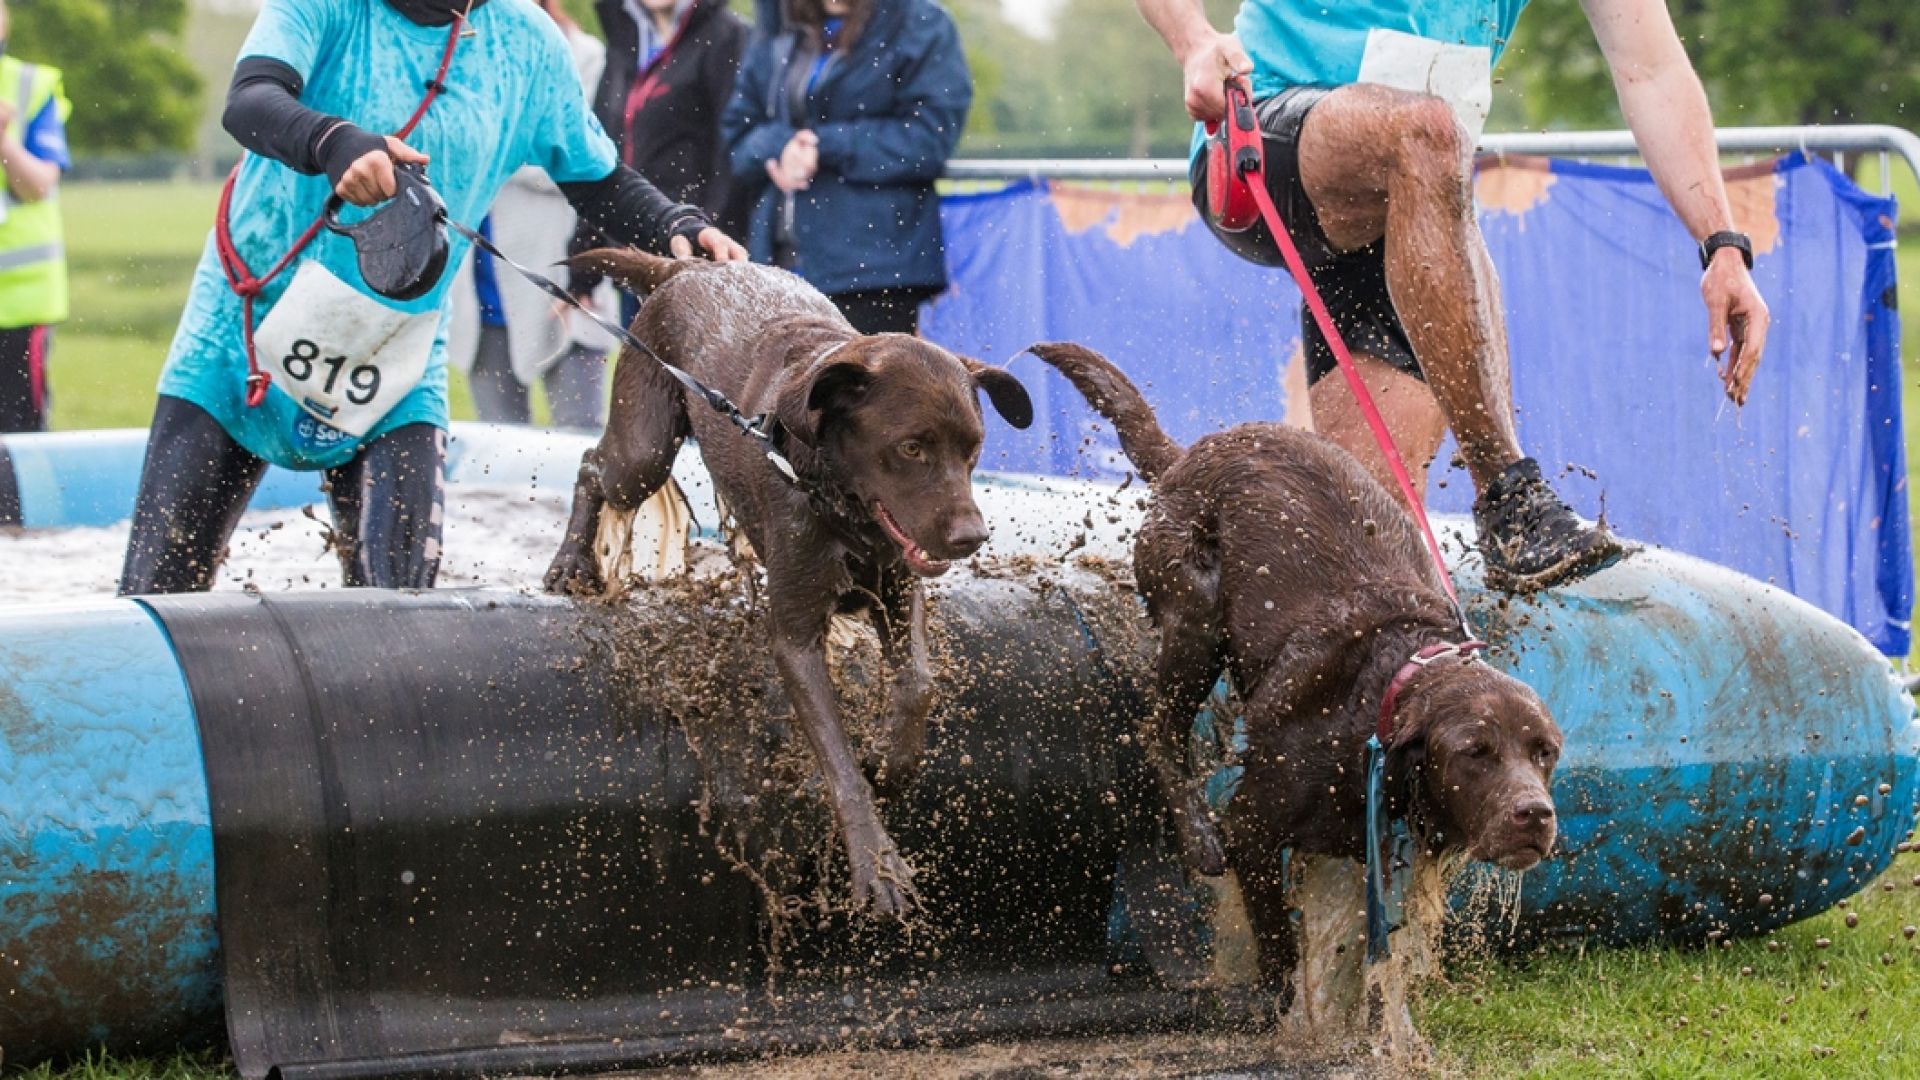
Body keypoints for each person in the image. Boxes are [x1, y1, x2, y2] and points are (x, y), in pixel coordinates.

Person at [1136, 0, 1772, 592]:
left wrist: (1722, 245)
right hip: (1263, 136)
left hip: (1406, 207)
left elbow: (1652, 70)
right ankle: (1509, 497)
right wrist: (1192, 41)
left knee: (1368, 560)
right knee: (1428, 130)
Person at [118, 0, 744, 596]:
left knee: (398, 623)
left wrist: (676, 225)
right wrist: (333, 140)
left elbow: (596, 178)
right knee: (158, 590)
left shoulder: (528, 42)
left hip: (394, 358)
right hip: (243, 334)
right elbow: (250, 101)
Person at [722, 0, 971, 336]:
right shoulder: (780, 22)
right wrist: (783, 147)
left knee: (862, 388)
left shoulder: (918, 22)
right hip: (779, 263)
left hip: (875, 270)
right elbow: (738, 132)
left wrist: (824, 147)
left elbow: (929, 137)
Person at [448, 0, 614, 431]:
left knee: (580, 440)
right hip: (481, 282)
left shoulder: (583, 54)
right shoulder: (458, 53)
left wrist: (486, 149)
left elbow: (586, 162)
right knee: (497, 448)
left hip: (561, 274)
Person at [570, 0, 749, 324]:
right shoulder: (626, 35)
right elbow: (600, 152)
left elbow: (732, 157)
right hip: (636, 254)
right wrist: (584, 263)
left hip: (699, 257)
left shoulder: (726, 37)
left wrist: (709, 244)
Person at [0, 0, 72, 434]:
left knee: (18, 435)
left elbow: (39, 183)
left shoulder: (30, 84)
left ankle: (15, 507)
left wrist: (3, 142)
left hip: (20, 301)